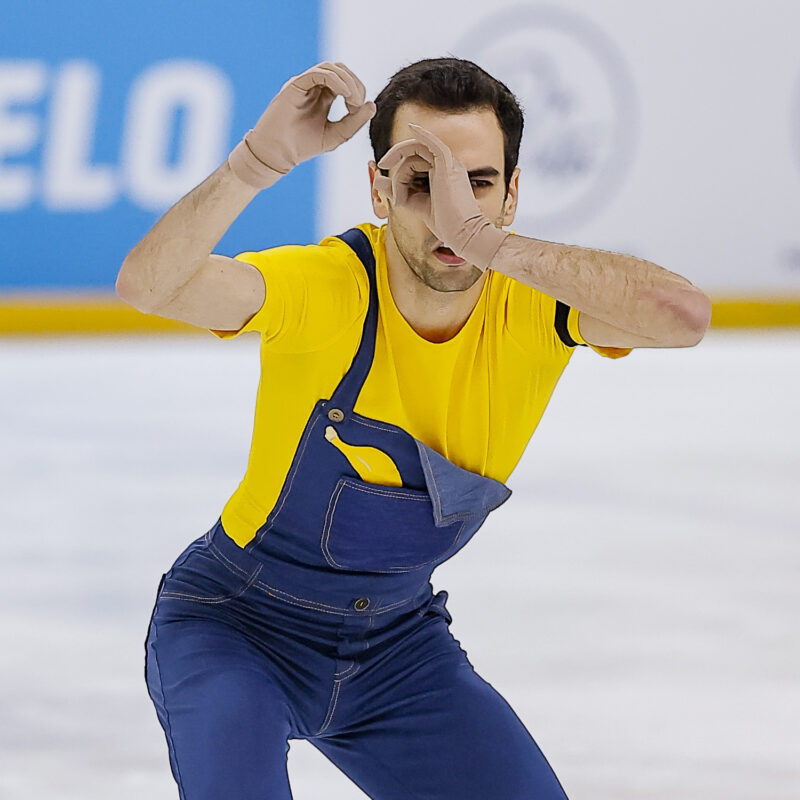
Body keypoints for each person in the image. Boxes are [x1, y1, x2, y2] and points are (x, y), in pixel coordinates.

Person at [117, 59, 711, 800]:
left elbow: (685, 317)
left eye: (477, 184)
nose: (449, 213)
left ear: (512, 193)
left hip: (398, 651)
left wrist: (489, 244)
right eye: (422, 184)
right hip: (236, 631)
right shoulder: (331, 286)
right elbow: (149, 286)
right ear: (379, 190)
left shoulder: (533, 304)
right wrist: (254, 165)